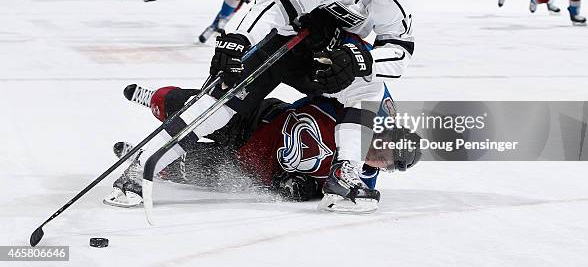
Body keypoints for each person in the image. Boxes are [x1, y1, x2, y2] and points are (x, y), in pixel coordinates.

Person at [109, 0, 415, 213]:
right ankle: (143, 164)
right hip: (287, 46)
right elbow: (274, 1)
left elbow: (400, 53)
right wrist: (238, 39)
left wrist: (361, 60)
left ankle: (345, 176)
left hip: (328, 64)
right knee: (224, 99)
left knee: (369, 85)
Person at [105, 82, 421, 207]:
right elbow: (373, 85)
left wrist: (299, 188)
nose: (381, 157)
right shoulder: (364, 115)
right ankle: (154, 100)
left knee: (187, 168)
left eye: (388, 162)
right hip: (263, 118)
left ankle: (142, 156)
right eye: (388, 147)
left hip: (250, 167)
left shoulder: (358, 179)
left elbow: (327, 195)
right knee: (187, 105)